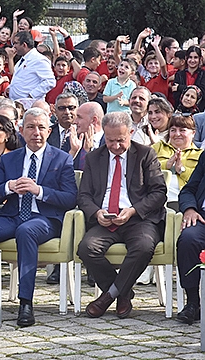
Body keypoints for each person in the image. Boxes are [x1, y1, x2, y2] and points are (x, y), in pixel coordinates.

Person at [0, 107, 77, 326]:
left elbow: (70, 199)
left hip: (44, 219)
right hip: (11, 215)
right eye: (30, 127)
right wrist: (9, 187)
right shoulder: (10, 159)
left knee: (26, 231)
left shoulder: (62, 159)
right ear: (21, 130)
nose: (36, 132)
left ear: (49, 131)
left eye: (41, 127)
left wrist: (38, 190)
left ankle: (25, 303)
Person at [77, 111, 167, 319]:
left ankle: (107, 298)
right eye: (110, 140)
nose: (116, 146)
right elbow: (84, 196)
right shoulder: (94, 157)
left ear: (131, 133)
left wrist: (133, 210)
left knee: (144, 247)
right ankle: (123, 295)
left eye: (121, 140)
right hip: (105, 218)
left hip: (138, 219)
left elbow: (158, 192)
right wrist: (97, 212)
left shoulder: (145, 154)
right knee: (87, 248)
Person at [176, 141, 205, 324]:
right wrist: (189, 209)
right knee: (188, 238)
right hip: (202, 217)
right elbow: (188, 190)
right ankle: (193, 302)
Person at [152, 114, 201, 209]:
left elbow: (201, 181)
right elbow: (144, 169)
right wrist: (166, 165)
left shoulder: (200, 155)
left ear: (193, 133)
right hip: (156, 199)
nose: (177, 134)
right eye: (173, 130)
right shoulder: (157, 147)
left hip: (185, 203)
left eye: (182, 130)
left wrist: (182, 170)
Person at [7, 31, 55, 101]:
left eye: (16, 43)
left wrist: (32, 95)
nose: (13, 46)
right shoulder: (23, 59)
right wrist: (10, 88)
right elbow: (19, 78)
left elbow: (50, 81)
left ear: (24, 45)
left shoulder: (39, 59)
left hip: (30, 105)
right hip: (17, 103)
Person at [71, 102, 105, 171]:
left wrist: (89, 152)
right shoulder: (73, 141)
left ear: (94, 120)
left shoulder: (109, 143)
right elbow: (60, 170)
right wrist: (73, 152)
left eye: (79, 117)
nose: (75, 121)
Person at [172, 46, 205, 112]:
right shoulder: (179, 74)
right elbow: (175, 93)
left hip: (199, 110)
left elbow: (203, 92)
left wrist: (180, 87)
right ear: (186, 58)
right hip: (181, 110)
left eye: (195, 57)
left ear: (200, 59)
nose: (192, 60)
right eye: (190, 57)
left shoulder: (203, 74)